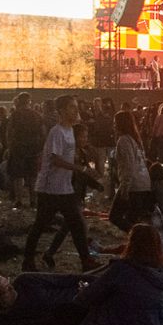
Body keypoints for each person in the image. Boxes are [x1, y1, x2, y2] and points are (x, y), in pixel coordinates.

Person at [69, 223, 163, 325]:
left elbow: (84, 299)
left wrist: (83, 290)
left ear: (131, 243)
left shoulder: (122, 269)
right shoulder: (162, 271)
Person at [21, 96, 99, 272]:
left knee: (77, 224)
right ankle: (27, 260)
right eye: (72, 107)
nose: (75, 110)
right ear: (62, 111)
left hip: (64, 187)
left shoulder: (70, 130)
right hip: (50, 188)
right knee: (40, 224)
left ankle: (86, 261)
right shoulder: (57, 132)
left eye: (76, 106)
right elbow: (55, 159)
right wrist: (79, 169)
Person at [106, 110, 153, 230]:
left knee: (115, 216)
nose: (114, 125)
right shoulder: (135, 140)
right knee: (132, 218)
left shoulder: (123, 140)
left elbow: (128, 165)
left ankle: (137, 238)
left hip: (133, 185)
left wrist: (125, 187)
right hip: (143, 183)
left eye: (115, 123)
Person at [3, 92, 45, 211]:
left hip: (18, 149)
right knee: (33, 176)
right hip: (33, 149)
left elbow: (9, 131)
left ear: (19, 102)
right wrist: (40, 148)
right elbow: (42, 133)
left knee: (18, 176)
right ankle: (33, 200)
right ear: (29, 101)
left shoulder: (15, 115)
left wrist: (10, 146)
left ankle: (19, 200)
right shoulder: (37, 115)